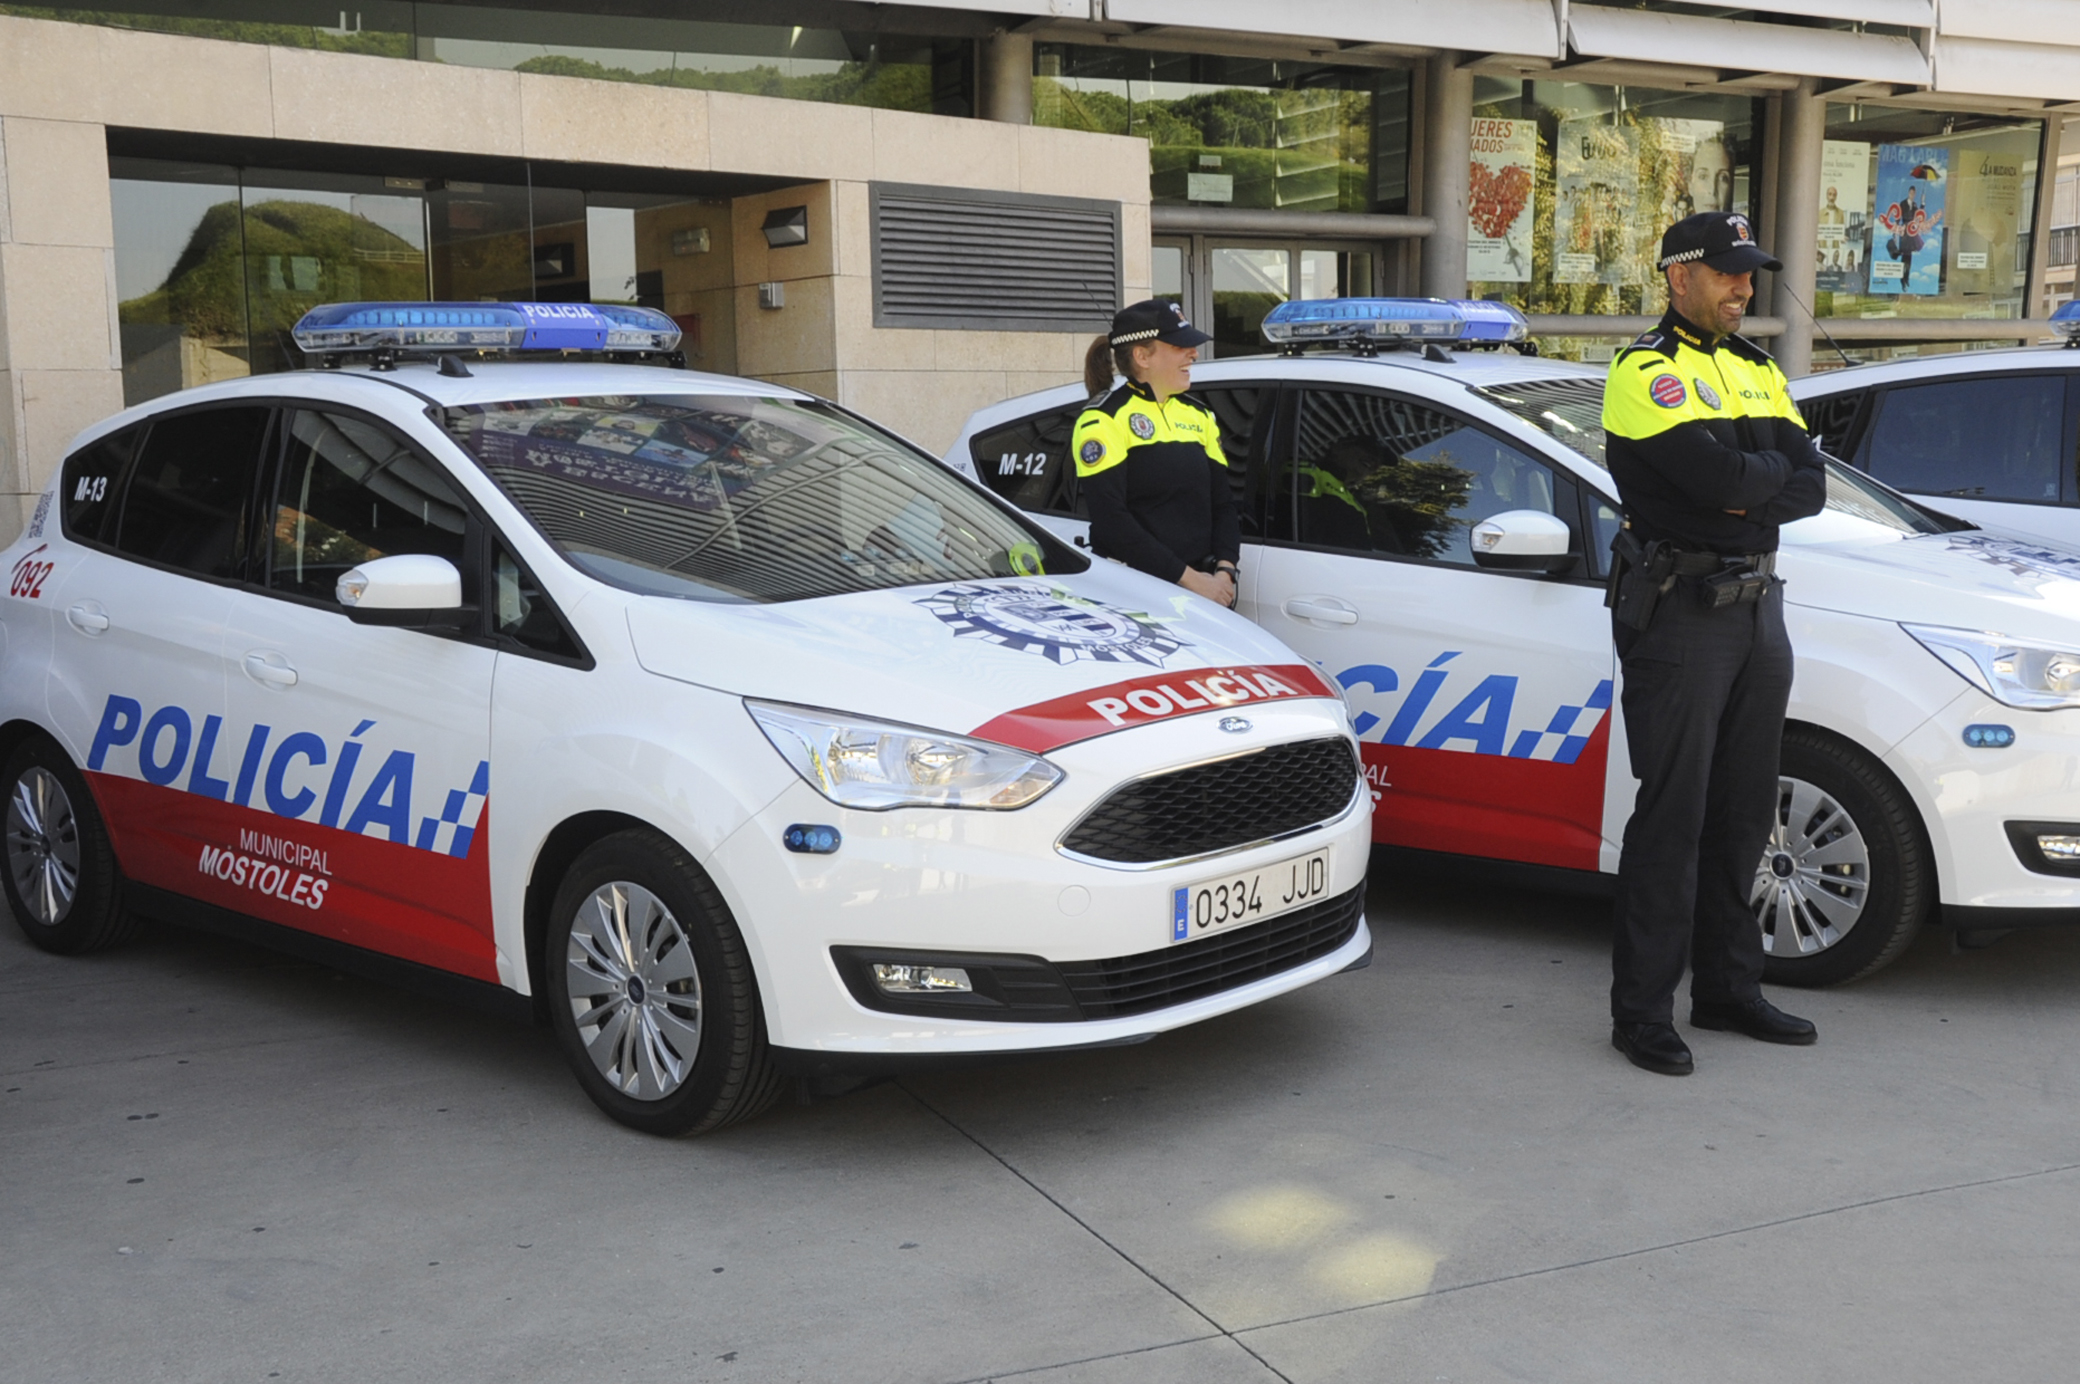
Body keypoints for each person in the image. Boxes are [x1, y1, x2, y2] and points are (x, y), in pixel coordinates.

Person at [1601, 211, 1829, 1077]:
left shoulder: (1756, 368)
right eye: (1729, 273)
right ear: (1678, 276)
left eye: (1750, 273)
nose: (1745, 287)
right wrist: (1757, 481)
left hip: (1755, 608)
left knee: (1744, 809)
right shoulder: (1644, 372)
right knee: (1675, 813)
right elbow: (1712, 482)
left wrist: (1751, 488)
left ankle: (1729, 989)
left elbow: (1806, 487)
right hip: (1680, 609)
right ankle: (1643, 1011)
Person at [1073, 300, 1240, 608]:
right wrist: (1191, 580)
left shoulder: (1199, 415)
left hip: (1203, 591)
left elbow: (1224, 505)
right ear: (1142, 356)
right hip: (1135, 595)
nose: (1194, 353)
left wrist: (1225, 573)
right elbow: (1111, 522)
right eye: (1180, 346)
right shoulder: (1103, 419)